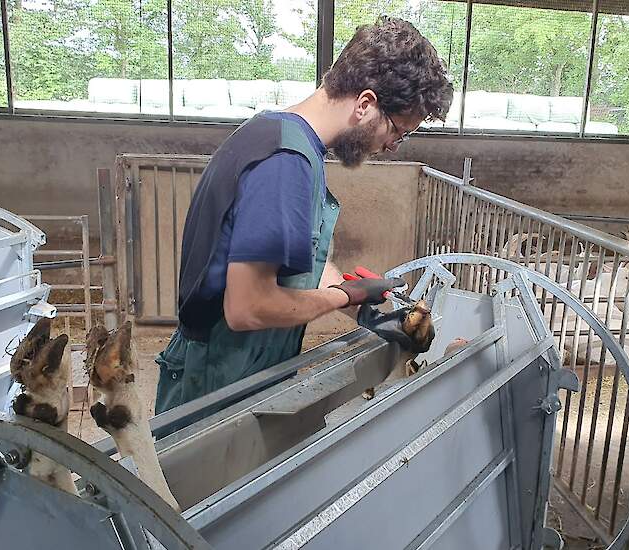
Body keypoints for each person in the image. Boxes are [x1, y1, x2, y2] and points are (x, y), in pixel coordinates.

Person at [154, 16, 454, 413]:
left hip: (247, 365)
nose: (393, 146)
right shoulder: (284, 163)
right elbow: (247, 307)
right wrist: (338, 296)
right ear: (365, 104)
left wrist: (367, 306)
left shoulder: (285, 139)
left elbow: (302, 266)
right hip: (220, 377)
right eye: (398, 131)